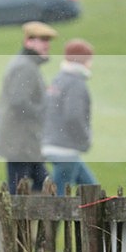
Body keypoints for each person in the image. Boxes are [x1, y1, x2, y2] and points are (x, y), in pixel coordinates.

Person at [0, 20, 57, 192]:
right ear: (28, 41)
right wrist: (42, 111)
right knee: (23, 192)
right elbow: (18, 102)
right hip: (21, 143)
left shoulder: (27, 64)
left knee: (41, 187)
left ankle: (35, 218)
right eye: (42, 40)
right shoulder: (25, 67)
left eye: (48, 41)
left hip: (25, 142)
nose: (47, 45)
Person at [42, 38, 98, 195]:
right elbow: (74, 117)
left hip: (50, 143)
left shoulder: (59, 79)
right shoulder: (76, 83)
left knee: (91, 187)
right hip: (65, 149)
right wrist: (84, 139)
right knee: (58, 198)